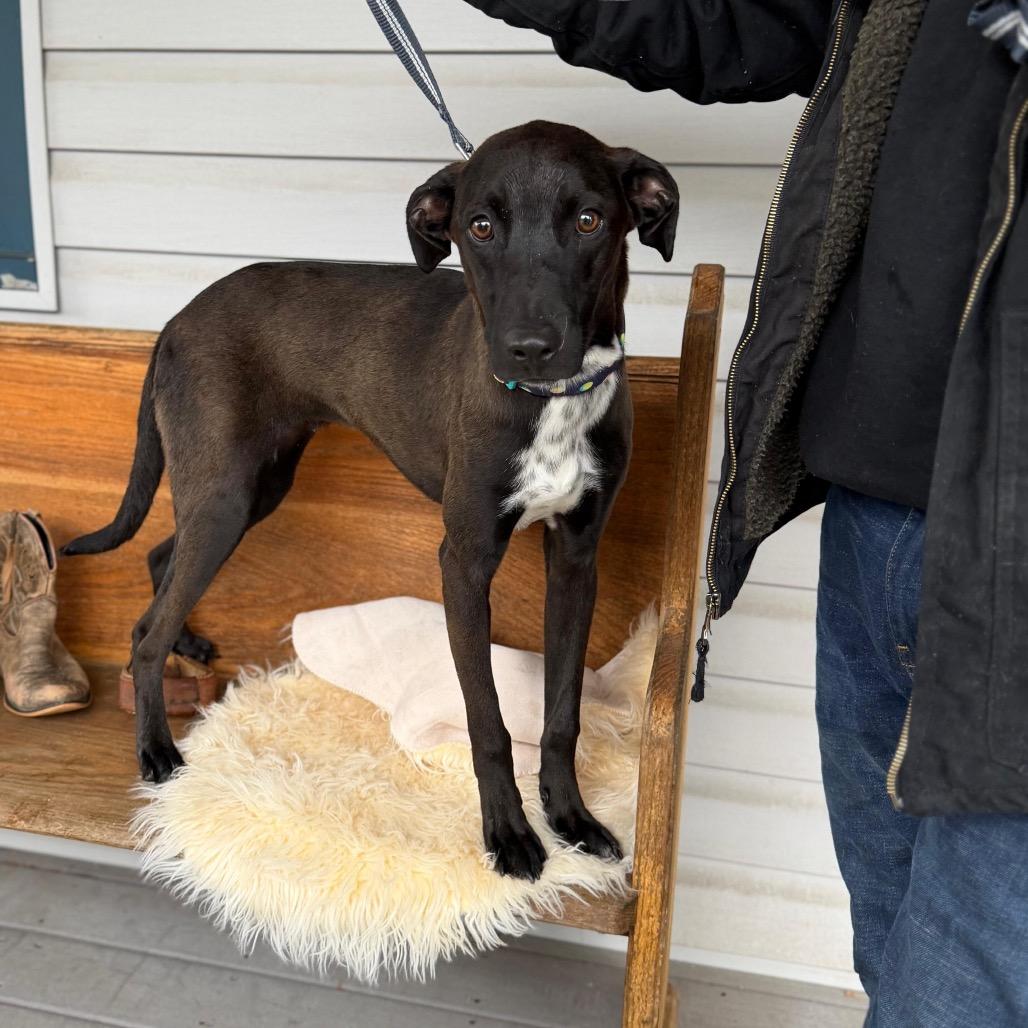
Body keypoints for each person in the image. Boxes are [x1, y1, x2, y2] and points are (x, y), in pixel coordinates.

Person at [460, 2, 1028, 1025]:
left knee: (967, 985)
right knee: (895, 945)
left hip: (1011, 540)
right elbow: (723, 19)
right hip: (872, 512)